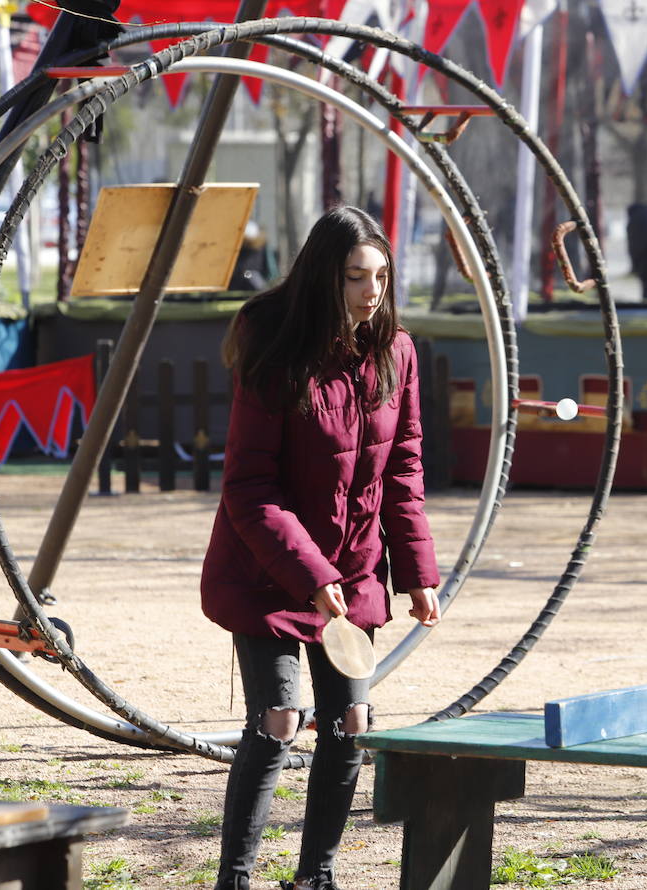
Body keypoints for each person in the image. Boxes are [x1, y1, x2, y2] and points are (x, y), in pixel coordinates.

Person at [200, 205, 441, 890]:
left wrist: (417, 572)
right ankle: (236, 880)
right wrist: (307, 571)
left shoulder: (395, 350)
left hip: (355, 567)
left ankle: (316, 878)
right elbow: (248, 485)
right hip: (266, 568)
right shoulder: (274, 343)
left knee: (352, 724)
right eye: (355, 277)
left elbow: (404, 469)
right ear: (322, 279)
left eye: (382, 277)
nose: (372, 292)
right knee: (279, 718)